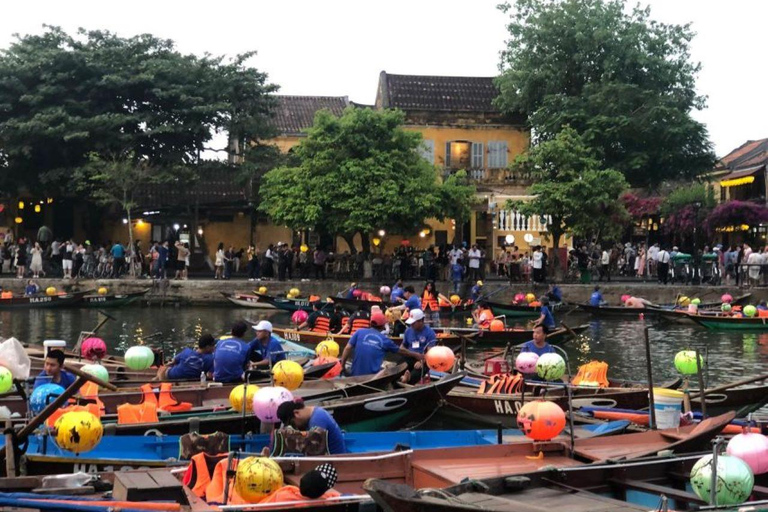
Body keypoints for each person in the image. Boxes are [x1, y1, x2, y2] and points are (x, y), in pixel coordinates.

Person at [339, 312, 421, 377]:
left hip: (355, 374)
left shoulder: (359, 332)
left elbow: (347, 348)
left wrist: (342, 365)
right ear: (383, 326)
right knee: (388, 369)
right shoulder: (385, 340)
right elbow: (401, 351)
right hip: (372, 378)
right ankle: (402, 379)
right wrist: (415, 355)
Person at [277, 400, 347, 454]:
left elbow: (315, 452)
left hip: (336, 462)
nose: (296, 427)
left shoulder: (317, 421)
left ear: (296, 413)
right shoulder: (316, 411)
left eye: (293, 424)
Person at [401, 309, 437, 384]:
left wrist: (422, 361)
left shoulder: (430, 333)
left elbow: (431, 352)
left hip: (423, 359)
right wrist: (411, 354)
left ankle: (407, 379)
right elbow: (402, 347)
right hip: (410, 356)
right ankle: (402, 377)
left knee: (418, 370)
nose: (411, 325)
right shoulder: (408, 331)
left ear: (421, 321)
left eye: (413, 323)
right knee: (399, 364)